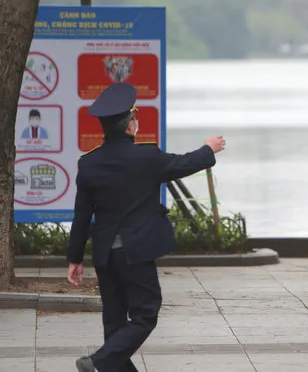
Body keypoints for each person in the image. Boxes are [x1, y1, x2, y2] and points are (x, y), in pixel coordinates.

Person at [67, 82, 226, 372]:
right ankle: (96, 362)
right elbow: (183, 164)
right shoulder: (147, 157)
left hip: (105, 255)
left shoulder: (88, 164)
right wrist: (209, 148)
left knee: (115, 323)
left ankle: (101, 363)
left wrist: (74, 259)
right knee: (145, 314)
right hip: (136, 252)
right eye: (134, 118)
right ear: (130, 127)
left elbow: (81, 216)